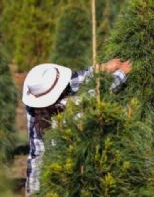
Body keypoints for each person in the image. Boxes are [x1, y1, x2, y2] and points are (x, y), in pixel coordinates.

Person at [22, 59, 132, 195]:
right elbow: (97, 95)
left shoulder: (34, 106)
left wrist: (101, 68)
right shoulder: (68, 108)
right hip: (73, 173)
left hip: (53, 171)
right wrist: (121, 74)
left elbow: (74, 79)